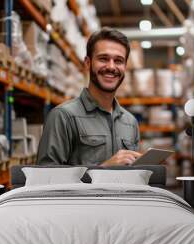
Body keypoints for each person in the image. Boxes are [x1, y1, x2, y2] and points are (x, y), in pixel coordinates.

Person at [37, 27, 141, 166]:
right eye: (103, 59)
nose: (111, 67)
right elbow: (46, 177)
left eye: (118, 61)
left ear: (125, 67)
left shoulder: (130, 122)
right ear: (87, 63)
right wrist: (103, 169)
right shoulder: (63, 116)